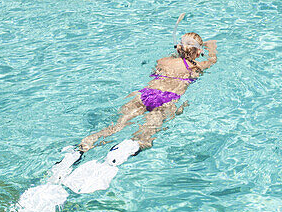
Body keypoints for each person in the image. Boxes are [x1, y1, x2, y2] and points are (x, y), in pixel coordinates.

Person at [78, 32, 217, 153]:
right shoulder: (196, 66)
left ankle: (89, 141)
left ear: (178, 47)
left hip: (146, 94)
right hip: (167, 100)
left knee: (118, 125)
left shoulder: (162, 61)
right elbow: (212, 60)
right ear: (198, 53)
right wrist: (211, 47)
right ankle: (133, 147)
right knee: (147, 133)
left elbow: (156, 70)